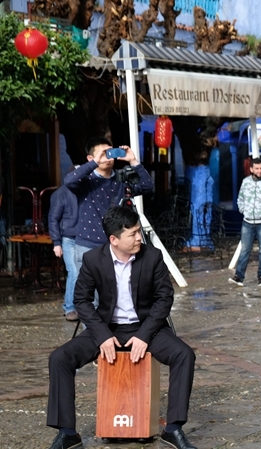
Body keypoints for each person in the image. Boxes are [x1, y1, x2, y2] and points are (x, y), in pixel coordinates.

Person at [46, 207, 197, 449]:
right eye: (133, 233)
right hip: (107, 328)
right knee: (59, 358)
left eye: (139, 231)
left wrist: (144, 336)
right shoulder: (93, 259)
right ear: (114, 239)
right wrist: (103, 336)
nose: (139, 238)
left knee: (184, 355)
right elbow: (82, 300)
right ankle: (67, 433)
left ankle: (173, 429)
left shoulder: (153, 256)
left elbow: (164, 299)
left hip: (147, 327)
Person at [65, 137, 154, 276]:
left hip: (118, 246)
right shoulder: (86, 181)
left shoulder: (121, 179)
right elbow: (69, 181)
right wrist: (94, 163)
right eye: (102, 154)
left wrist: (133, 161)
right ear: (90, 158)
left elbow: (147, 186)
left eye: (109, 153)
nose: (107, 157)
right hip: (88, 245)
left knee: (119, 288)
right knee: (88, 289)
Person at [230, 157, 261, 287]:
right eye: (257, 168)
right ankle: (239, 277)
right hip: (247, 222)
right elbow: (240, 198)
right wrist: (243, 210)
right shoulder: (246, 182)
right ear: (251, 169)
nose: (259, 171)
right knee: (245, 250)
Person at [48, 174, 80, 321]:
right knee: (74, 272)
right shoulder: (60, 194)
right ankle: (70, 307)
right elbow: (53, 219)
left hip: (85, 238)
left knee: (87, 273)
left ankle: (84, 307)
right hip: (69, 238)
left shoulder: (86, 190)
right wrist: (56, 243)